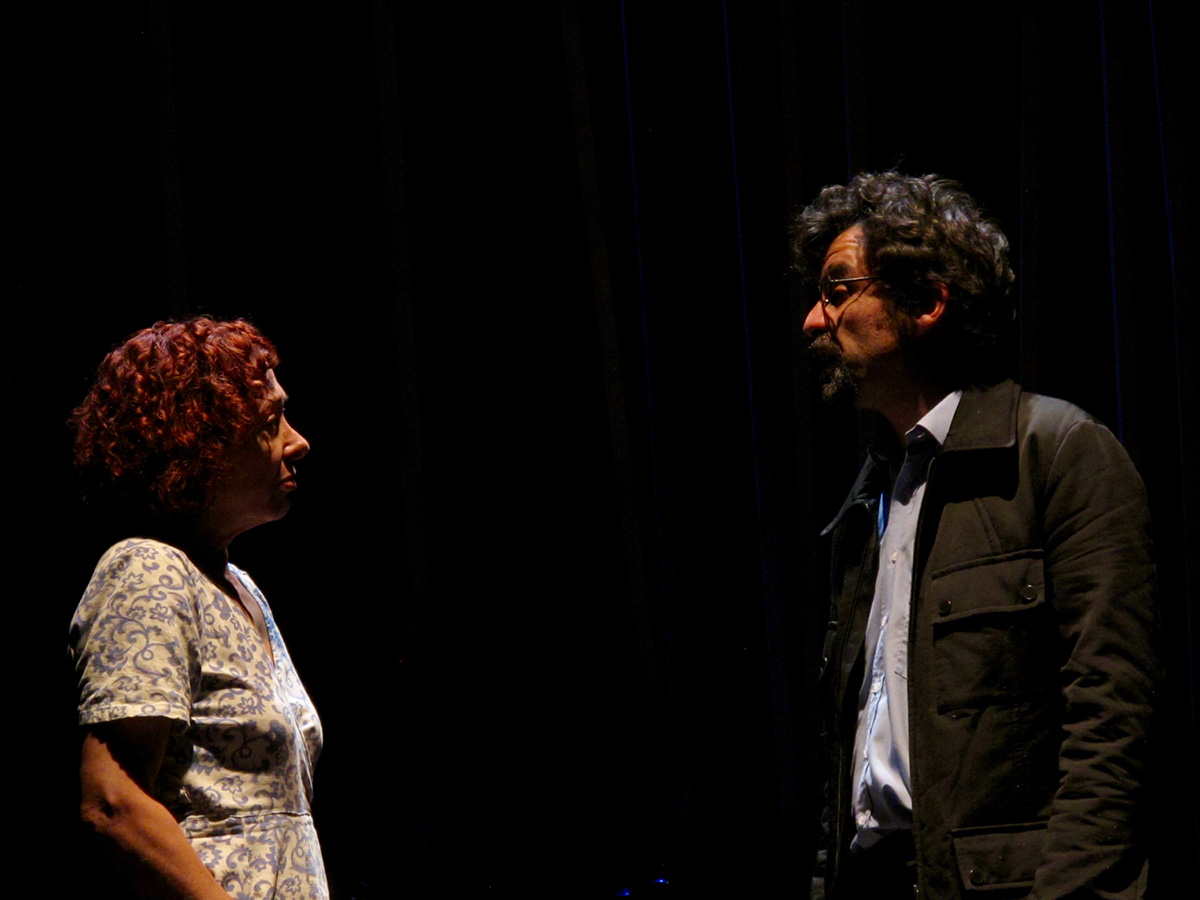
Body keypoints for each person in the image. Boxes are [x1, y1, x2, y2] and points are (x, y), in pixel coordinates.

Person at [794, 173, 1159, 899]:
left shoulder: (1056, 453)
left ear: (927, 303)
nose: (812, 320)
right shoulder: (874, 491)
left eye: (838, 290)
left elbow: (1112, 720)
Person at [68, 317, 328, 900]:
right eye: (270, 423)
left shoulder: (238, 586)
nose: (298, 442)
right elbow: (114, 802)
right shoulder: (147, 570)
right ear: (199, 443)